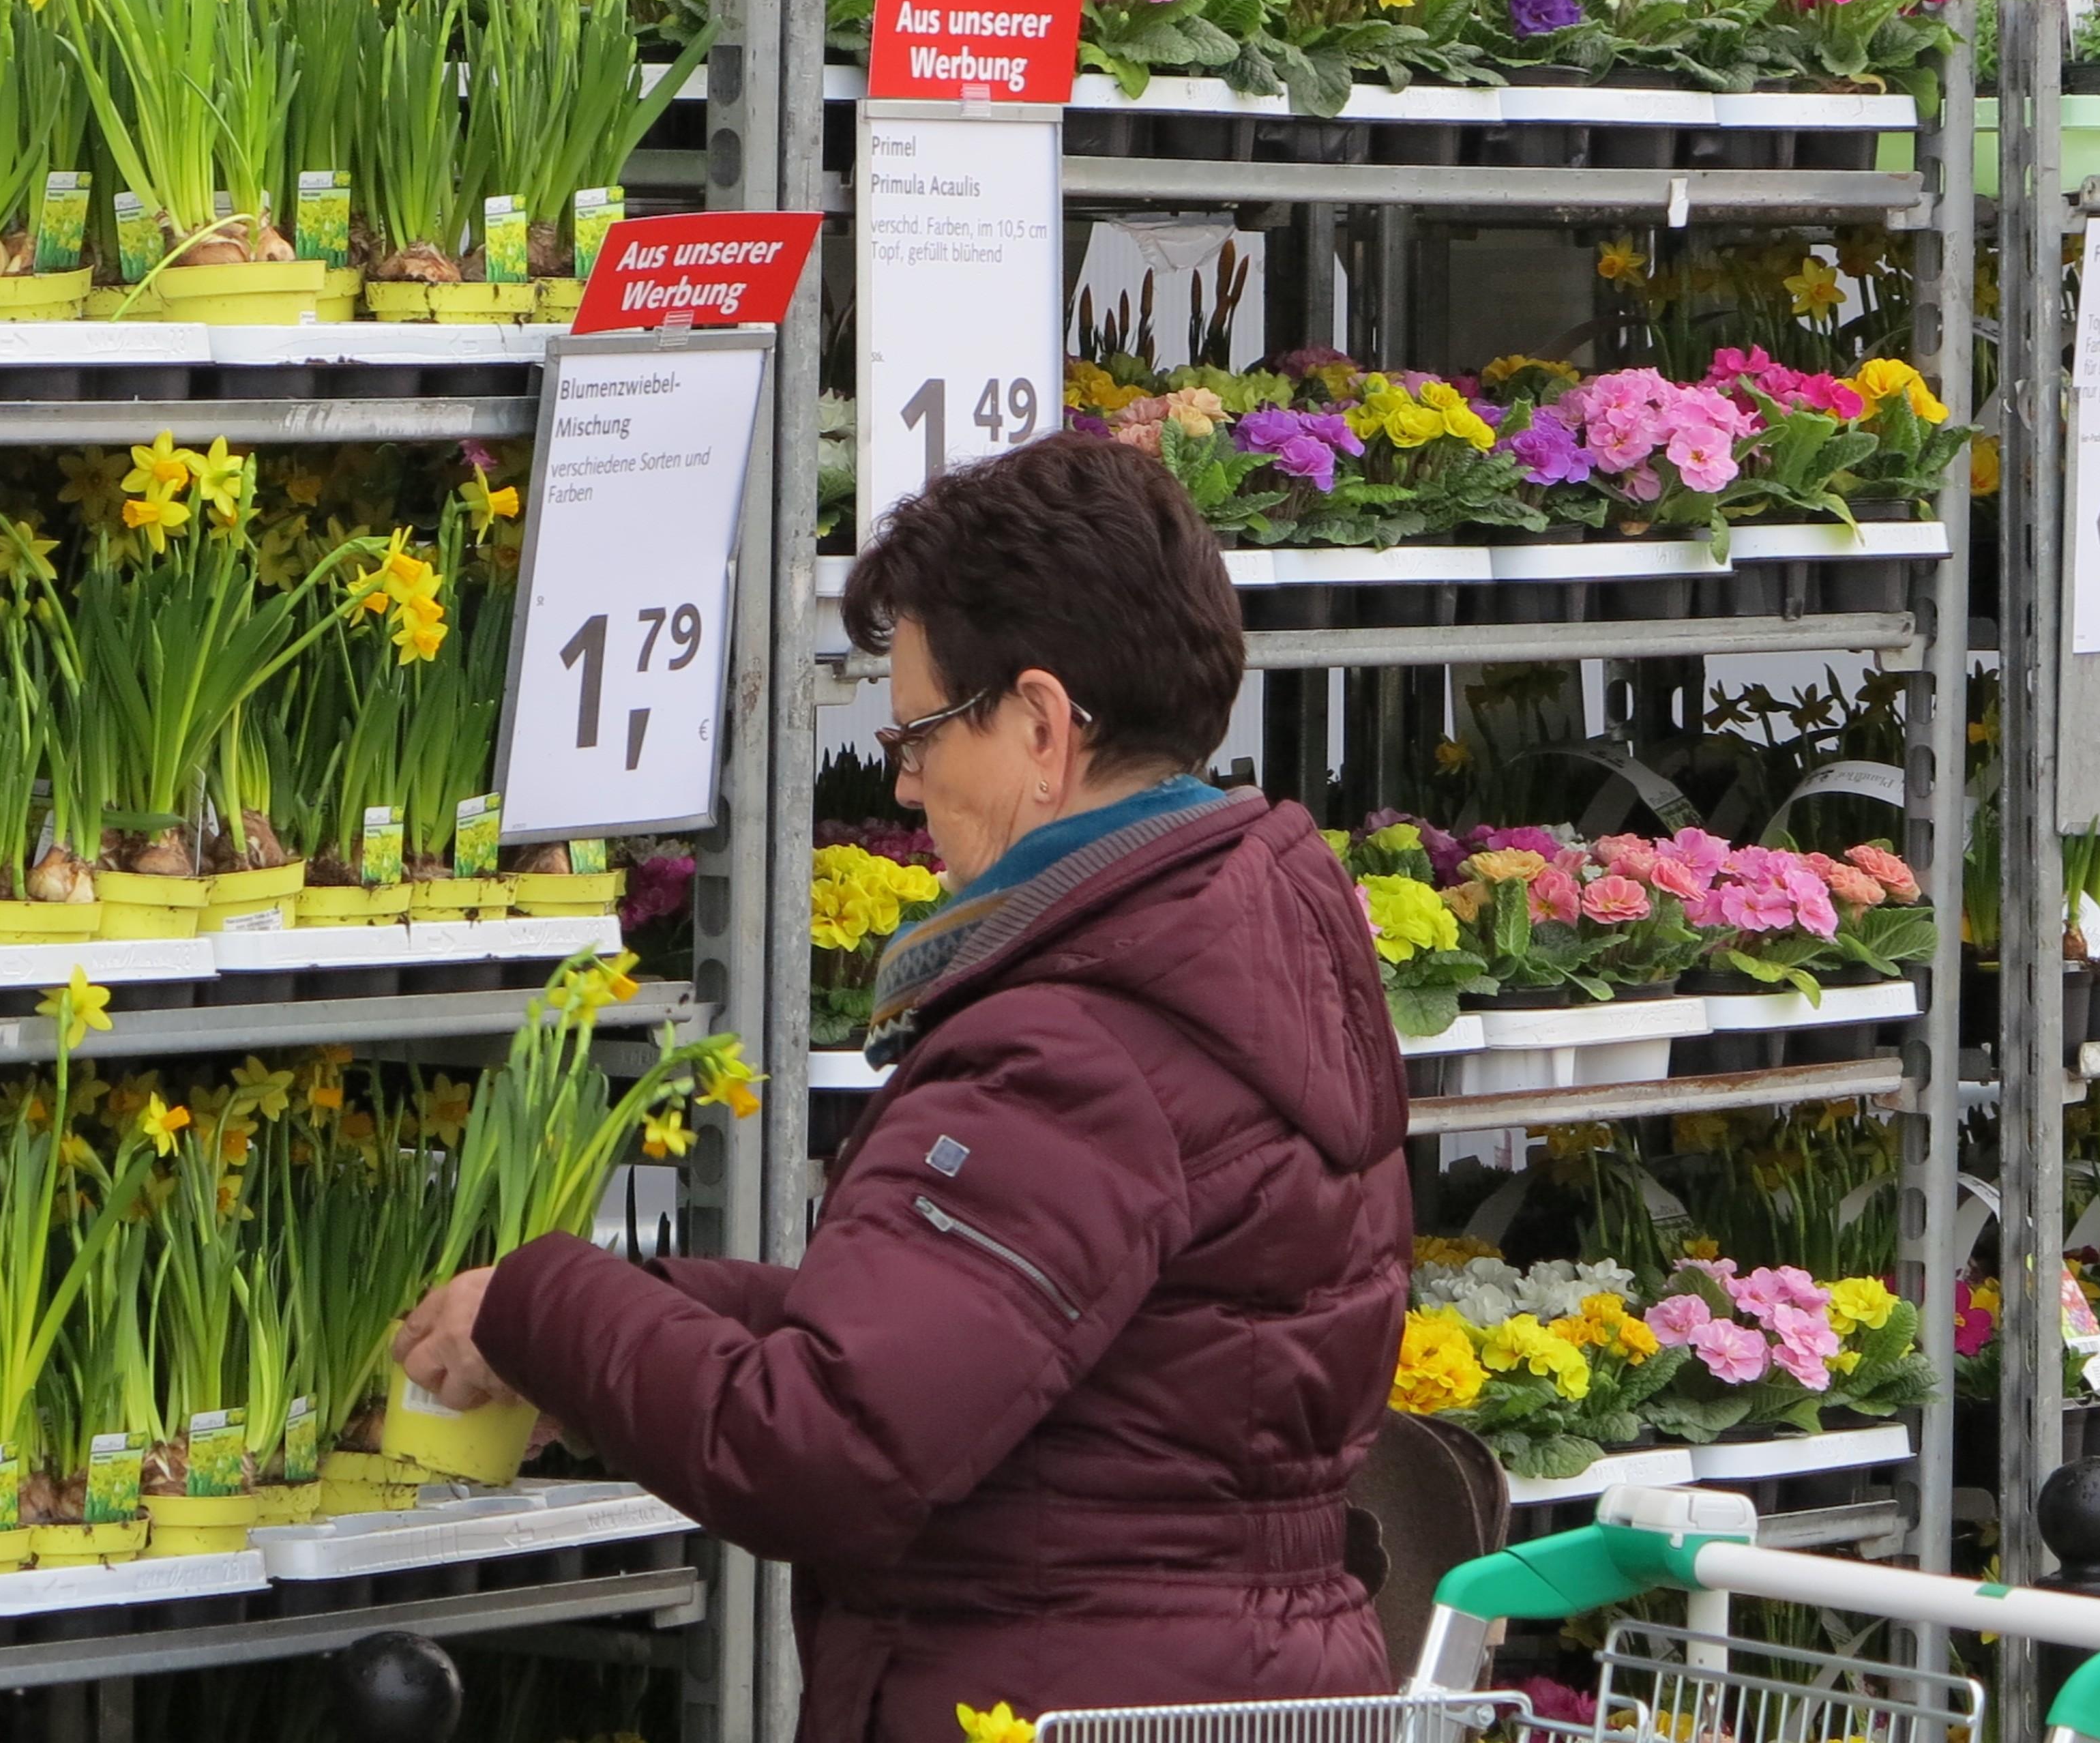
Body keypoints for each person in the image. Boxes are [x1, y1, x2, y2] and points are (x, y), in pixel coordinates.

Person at [394, 429, 1411, 1742]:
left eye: (923, 729)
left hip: (1058, 1693)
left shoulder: (1074, 1047)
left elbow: (828, 1450)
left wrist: (541, 1304)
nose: (907, 777)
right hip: (1225, 1682)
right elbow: (987, 1343)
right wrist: (627, 1328)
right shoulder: (1232, 956)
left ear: (1043, 729)